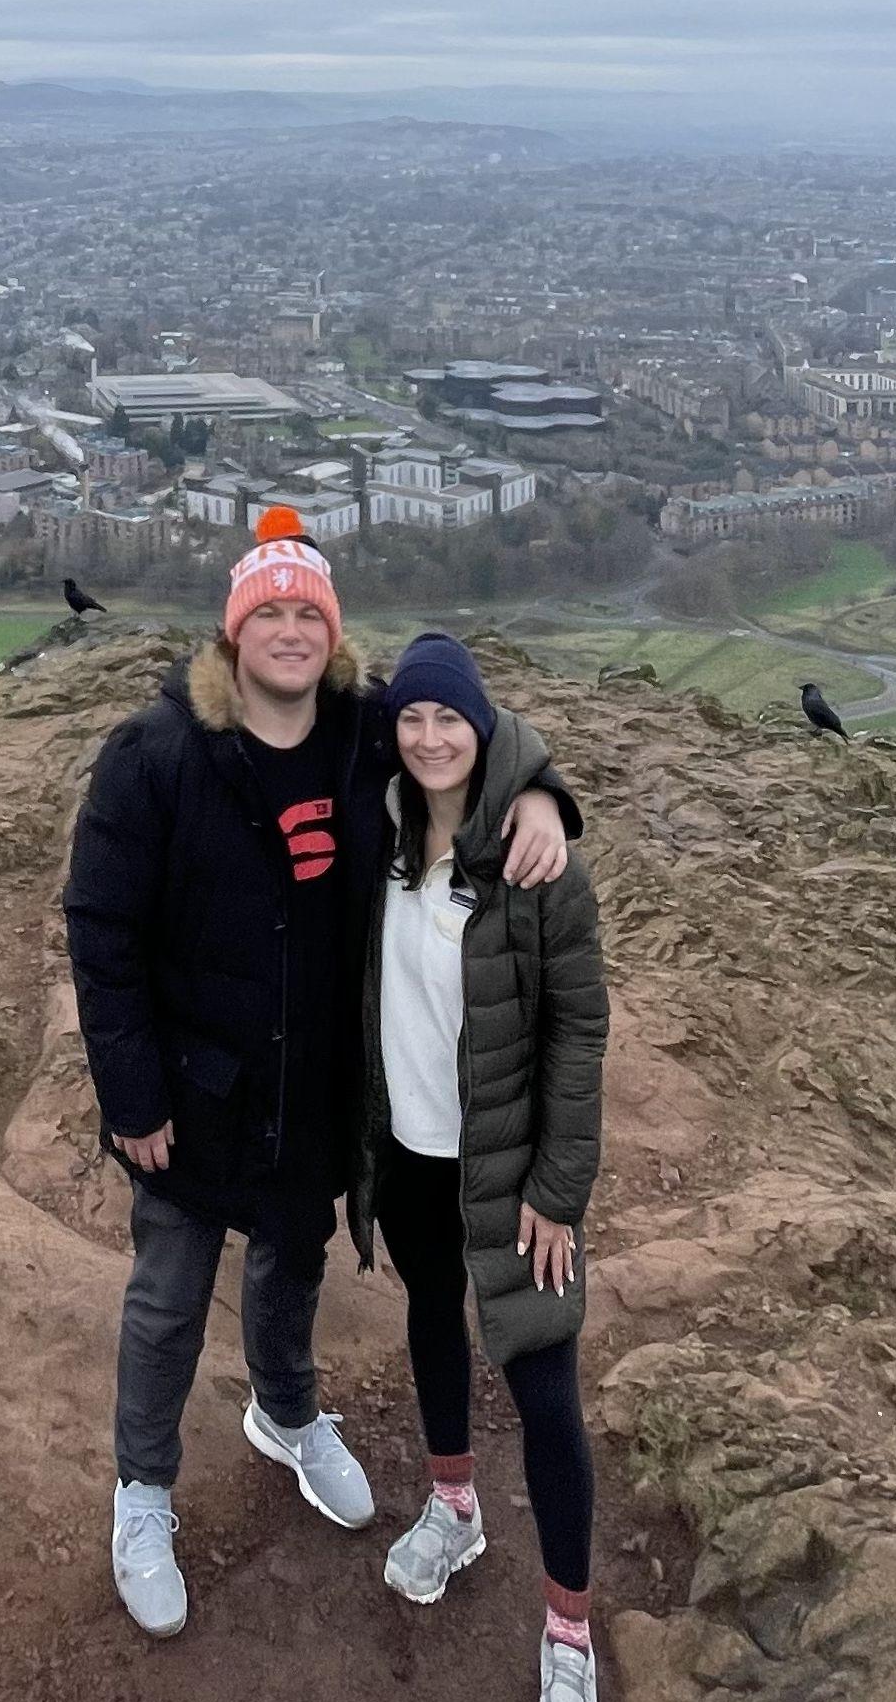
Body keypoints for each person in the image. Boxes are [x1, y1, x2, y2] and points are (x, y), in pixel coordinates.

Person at [62, 515, 568, 1638]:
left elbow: (471, 735)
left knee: (292, 1266)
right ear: (233, 633)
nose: (289, 631)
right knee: (169, 1298)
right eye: (268, 614)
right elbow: (100, 928)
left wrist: (539, 795)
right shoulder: (157, 755)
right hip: (194, 1090)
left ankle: (285, 1413)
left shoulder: (364, 731)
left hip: (321, 1088)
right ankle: (142, 1492)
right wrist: (131, 1092)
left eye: (308, 614)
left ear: (330, 636)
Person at [348, 629, 614, 1702]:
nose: (429, 736)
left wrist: (559, 1192)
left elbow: (580, 1029)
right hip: (408, 1151)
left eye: (449, 717)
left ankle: (569, 1635)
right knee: (428, 1318)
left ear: (484, 725)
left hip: (507, 1174)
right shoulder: (386, 829)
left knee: (546, 1384)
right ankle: (453, 1501)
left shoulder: (536, 858)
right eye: (411, 719)